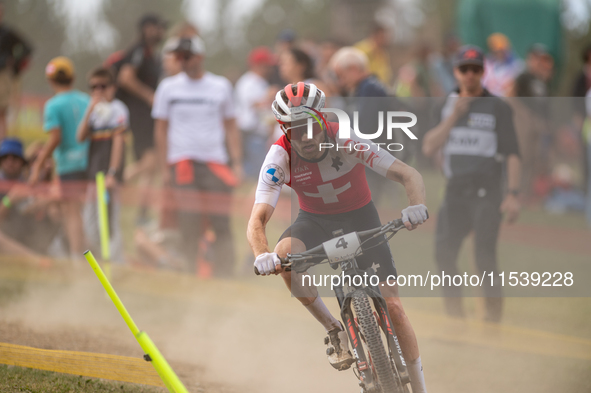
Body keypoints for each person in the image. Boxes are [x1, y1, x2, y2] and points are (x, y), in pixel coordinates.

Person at [246, 82, 429, 393]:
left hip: (361, 217)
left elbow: (408, 174)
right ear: (283, 129)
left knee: (395, 307)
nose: (304, 137)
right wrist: (262, 254)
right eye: (293, 129)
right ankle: (333, 328)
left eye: (310, 126)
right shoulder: (280, 155)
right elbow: (257, 219)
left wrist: (416, 205)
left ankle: (422, 389)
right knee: (284, 256)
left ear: (322, 119)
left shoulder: (346, 138)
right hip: (314, 221)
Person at [422, 46, 521, 322]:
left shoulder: (498, 107)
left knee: (484, 256)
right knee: (444, 253)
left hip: (487, 192)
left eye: (476, 69)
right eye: (464, 69)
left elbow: (513, 152)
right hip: (455, 191)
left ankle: (493, 317)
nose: (470, 74)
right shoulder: (446, 105)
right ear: (456, 72)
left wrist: (513, 193)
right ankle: (455, 316)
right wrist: (454, 115)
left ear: (483, 72)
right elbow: (429, 147)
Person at [152, 36, 242, 276]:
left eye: (187, 55)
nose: (182, 60)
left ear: (200, 57)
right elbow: (160, 130)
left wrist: (237, 163)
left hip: (215, 162)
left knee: (220, 221)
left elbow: (231, 126)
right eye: (178, 56)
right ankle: (190, 272)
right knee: (188, 220)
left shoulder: (220, 86)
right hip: (182, 163)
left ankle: (225, 275)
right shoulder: (168, 87)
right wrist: (163, 169)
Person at [29, 56, 89, 261]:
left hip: (69, 165)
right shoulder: (86, 99)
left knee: (72, 213)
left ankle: (77, 259)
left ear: (51, 80)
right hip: (88, 162)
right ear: (72, 78)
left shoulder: (53, 105)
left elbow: (56, 138)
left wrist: (38, 164)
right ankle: (83, 253)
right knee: (80, 211)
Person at [116, 13, 166, 223]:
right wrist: (149, 96)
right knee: (150, 161)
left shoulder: (151, 54)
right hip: (139, 114)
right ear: (147, 28)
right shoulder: (138, 51)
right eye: (158, 27)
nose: (162, 32)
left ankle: (143, 213)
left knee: (150, 166)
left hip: (147, 115)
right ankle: (117, 182)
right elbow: (125, 78)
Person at [77, 67, 128, 262]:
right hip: (93, 175)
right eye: (93, 87)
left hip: (108, 177)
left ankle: (117, 262)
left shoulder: (118, 109)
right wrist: (90, 109)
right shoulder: (93, 112)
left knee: (110, 222)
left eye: (102, 86)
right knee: (90, 222)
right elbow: (80, 137)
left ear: (112, 88)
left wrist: (113, 173)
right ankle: (99, 260)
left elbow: (118, 142)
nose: (98, 91)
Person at [0, 138, 58, 264]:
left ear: (22, 162)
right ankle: (38, 262)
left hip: (30, 238)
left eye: (15, 158)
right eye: (5, 158)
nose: (10, 162)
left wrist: (45, 202)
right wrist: (9, 200)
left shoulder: (28, 183)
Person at [235, 47, 275, 180]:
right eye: (266, 65)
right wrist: (270, 97)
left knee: (261, 170)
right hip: (251, 132)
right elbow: (254, 105)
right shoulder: (248, 81)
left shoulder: (260, 82)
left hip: (259, 132)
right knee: (257, 173)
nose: (269, 69)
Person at [0, 0, 32, 139]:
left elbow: (27, 47)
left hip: (2, 75)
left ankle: (2, 143)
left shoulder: (7, 32)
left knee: (1, 111)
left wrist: (14, 61)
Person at [482, 33, 524, 97]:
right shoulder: (487, 65)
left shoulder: (518, 67)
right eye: (497, 51)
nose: (499, 53)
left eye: (502, 50)